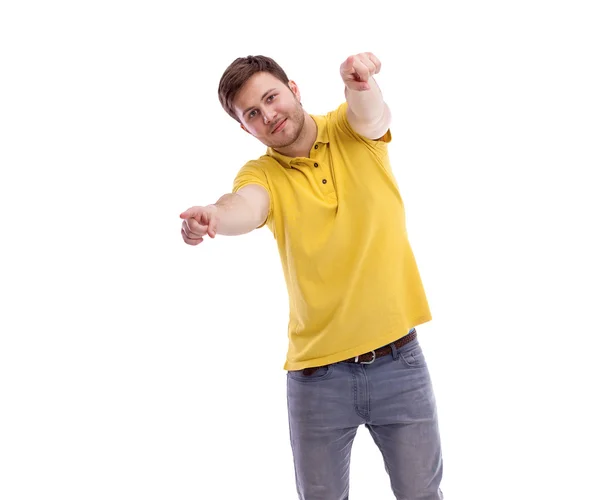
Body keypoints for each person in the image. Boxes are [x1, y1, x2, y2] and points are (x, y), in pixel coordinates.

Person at [180, 52, 444, 500]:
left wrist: (360, 85)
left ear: (294, 89)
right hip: (317, 381)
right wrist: (213, 218)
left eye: (271, 97)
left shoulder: (350, 130)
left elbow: (372, 114)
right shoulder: (261, 173)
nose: (269, 116)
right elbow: (245, 205)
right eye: (253, 114)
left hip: (400, 365)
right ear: (245, 128)